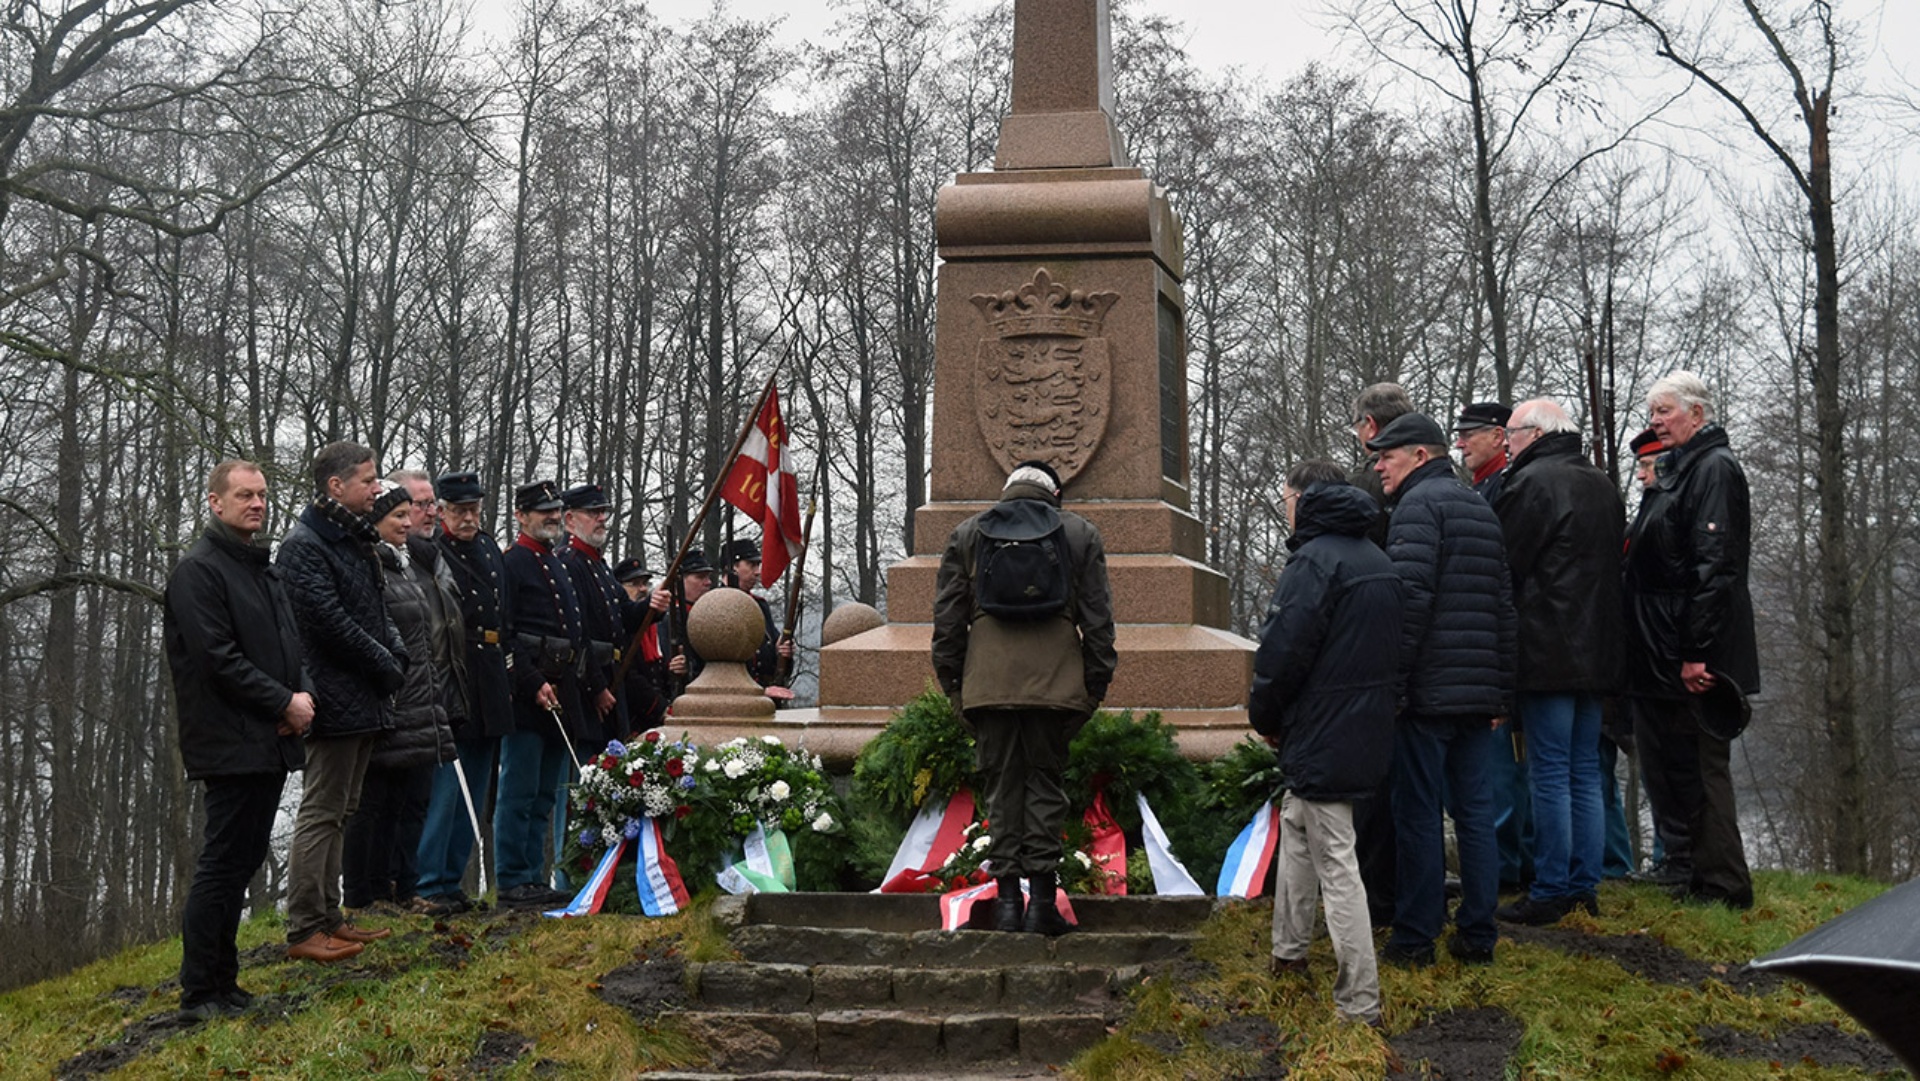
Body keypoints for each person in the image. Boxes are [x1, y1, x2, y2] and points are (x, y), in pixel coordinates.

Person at [932, 460, 1117, 936]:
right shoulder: (1080, 534)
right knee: (1044, 789)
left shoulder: (969, 534)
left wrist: (955, 686)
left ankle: (1008, 903)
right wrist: (1093, 686)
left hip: (987, 685)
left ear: (1009, 488)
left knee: (1000, 791)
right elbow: (1097, 620)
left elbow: (948, 622)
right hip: (1055, 684)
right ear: (1055, 493)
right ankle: (1041, 905)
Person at [1248, 461, 1401, 1026]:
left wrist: (1264, 715)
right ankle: (1288, 952)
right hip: (1364, 726)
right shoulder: (1377, 560)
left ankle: (1359, 1001)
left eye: (1287, 496)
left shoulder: (1313, 562)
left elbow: (1282, 652)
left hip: (1320, 728)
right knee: (1296, 825)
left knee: (1337, 860)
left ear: (1304, 500)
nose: (1285, 504)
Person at [165, 460, 320, 1015]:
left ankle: (225, 983)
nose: (257, 503)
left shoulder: (264, 569)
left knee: (245, 858)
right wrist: (282, 701)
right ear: (215, 503)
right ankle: (200, 989)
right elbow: (217, 659)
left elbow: (290, 647)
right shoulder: (198, 572)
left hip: (269, 737)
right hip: (229, 741)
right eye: (244, 495)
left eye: (262, 495)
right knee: (223, 863)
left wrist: (298, 700)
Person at [1369, 413, 1516, 967]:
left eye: (1388, 454)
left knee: (1418, 813)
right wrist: (1502, 691)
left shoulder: (1416, 508)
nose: (1379, 464)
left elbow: (1409, 603)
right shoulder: (1479, 506)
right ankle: (1479, 932)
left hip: (1428, 695)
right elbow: (1503, 606)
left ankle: (1415, 937)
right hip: (1477, 696)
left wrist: (1396, 687)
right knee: (1476, 813)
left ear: (1420, 457)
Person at [1623, 372, 1758, 909]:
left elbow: (1716, 568)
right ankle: (1696, 875)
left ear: (1696, 415)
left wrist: (1696, 652)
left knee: (1704, 770)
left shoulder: (1715, 470)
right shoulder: (1682, 471)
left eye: (1664, 412)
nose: (1655, 421)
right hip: (1666, 650)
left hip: (1700, 655)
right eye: (1652, 412)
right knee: (1679, 768)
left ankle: (1725, 885)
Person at [1492, 399, 1625, 924]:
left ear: (1534, 433)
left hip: (1547, 649)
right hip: (1598, 651)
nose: (1507, 444)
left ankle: (1550, 887)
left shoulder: (1531, 485)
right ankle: (1583, 883)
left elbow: (1508, 564)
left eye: (1511, 435)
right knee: (1585, 771)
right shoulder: (1602, 483)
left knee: (1549, 771)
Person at [276, 441, 405, 960]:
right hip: (332, 698)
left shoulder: (353, 538)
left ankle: (331, 917)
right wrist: (383, 660)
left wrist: (390, 653)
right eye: (369, 480)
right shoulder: (305, 545)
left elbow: (376, 611)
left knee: (344, 808)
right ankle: (306, 926)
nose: (377, 489)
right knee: (322, 809)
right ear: (336, 486)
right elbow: (325, 623)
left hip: (364, 696)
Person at [343, 482, 460, 915]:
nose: (408, 524)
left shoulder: (407, 567)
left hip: (423, 704)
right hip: (392, 704)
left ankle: (403, 887)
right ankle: (363, 895)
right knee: (373, 806)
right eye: (397, 517)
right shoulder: (369, 565)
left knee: (412, 804)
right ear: (375, 522)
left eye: (410, 516)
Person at [414, 470, 514, 914]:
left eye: (474, 509)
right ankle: (429, 880)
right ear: (443, 511)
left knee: (475, 785)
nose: (468, 517)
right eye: (458, 510)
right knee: (446, 786)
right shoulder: (435, 553)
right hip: (457, 669)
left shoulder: (490, 549)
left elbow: (503, 608)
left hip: (491, 672)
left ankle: (451, 877)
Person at [498, 480, 592, 908]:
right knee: (518, 791)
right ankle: (512, 876)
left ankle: (534, 875)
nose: (552, 517)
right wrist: (534, 682)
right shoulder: (512, 563)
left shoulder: (555, 563)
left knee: (544, 796)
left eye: (555, 510)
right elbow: (508, 633)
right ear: (520, 515)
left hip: (562, 693)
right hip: (527, 695)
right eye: (542, 511)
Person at [1346, 382, 1415, 927]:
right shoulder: (1437, 479)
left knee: (1380, 790)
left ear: (1370, 428)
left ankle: (1381, 898)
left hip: (1383, 651)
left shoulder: (1372, 486)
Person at [558, 483, 634, 743]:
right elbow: (579, 633)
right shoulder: (568, 563)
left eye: (603, 512)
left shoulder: (600, 567)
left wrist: (654, 605)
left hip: (613, 674)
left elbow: (626, 614)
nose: (601, 518)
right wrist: (597, 686)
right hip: (588, 682)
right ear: (570, 519)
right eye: (593, 513)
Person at [720, 537, 794, 691]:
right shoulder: (714, 606)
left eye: (758, 565)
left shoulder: (760, 605)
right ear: (732, 567)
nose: (757, 572)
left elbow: (772, 651)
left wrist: (783, 653)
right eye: (751, 565)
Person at [1452, 402, 1513, 504]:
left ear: (1497, 437)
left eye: (1467, 436)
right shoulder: (1491, 483)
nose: (1459, 444)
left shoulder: (1510, 487)